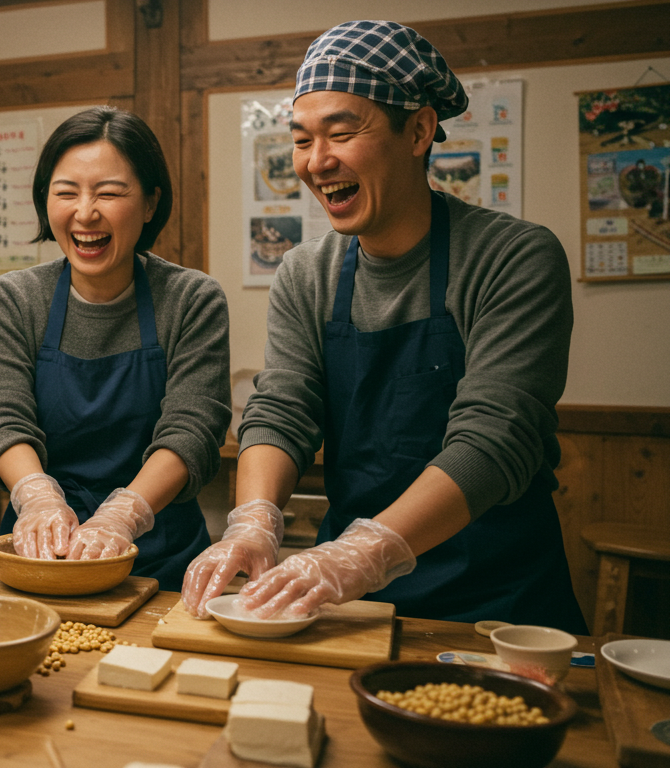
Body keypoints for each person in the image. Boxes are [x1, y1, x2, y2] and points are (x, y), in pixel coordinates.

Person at [182, 21, 587, 634]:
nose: (317, 163)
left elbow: (496, 436)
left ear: (419, 130)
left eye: (342, 133)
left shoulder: (512, 257)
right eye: (301, 140)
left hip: (497, 601)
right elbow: (282, 409)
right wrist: (254, 517)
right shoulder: (305, 273)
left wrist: (362, 553)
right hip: (353, 609)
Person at [0, 107, 231, 591]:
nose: (85, 212)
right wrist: (38, 498)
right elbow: (4, 419)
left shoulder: (192, 299)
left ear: (151, 203)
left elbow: (192, 428)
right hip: (41, 554)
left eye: (109, 193)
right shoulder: (14, 299)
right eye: (66, 192)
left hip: (159, 560)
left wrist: (123, 514)